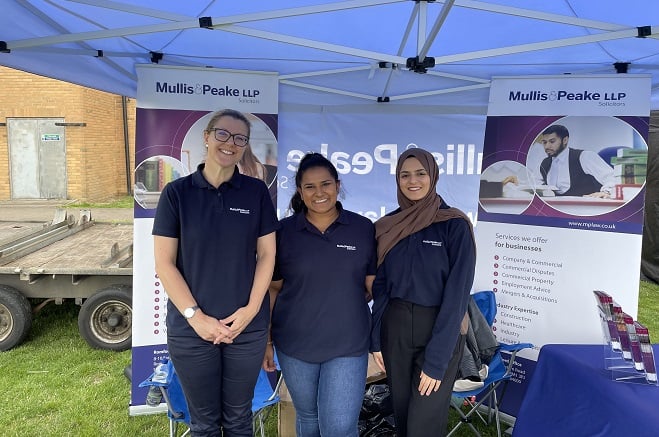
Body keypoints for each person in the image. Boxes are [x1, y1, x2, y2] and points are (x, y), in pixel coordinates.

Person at [152, 108, 279, 436]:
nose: (230, 143)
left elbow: (267, 255)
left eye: (240, 138)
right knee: (204, 423)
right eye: (222, 134)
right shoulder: (176, 194)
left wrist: (251, 311)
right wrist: (196, 317)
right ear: (207, 137)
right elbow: (164, 263)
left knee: (238, 420)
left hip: (246, 329)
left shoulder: (256, 193)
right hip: (191, 329)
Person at [263, 152, 376, 437]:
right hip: (295, 345)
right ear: (300, 191)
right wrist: (266, 339)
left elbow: (371, 285)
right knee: (309, 417)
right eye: (309, 187)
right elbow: (273, 289)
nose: (319, 193)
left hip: (347, 345)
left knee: (338, 428)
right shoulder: (284, 232)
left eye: (325, 184)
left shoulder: (363, 229)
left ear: (338, 186)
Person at [370, 148, 476, 437]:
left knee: (423, 425)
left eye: (420, 173)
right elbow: (380, 288)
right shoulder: (388, 226)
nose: (412, 181)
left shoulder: (454, 225)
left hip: (440, 330)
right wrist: (376, 339)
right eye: (405, 175)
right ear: (397, 179)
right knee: (403, 418)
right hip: (396, 329)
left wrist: (437, 360)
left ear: (433, 176)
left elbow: (457, 297)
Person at [532, 124, 615, 197]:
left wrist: (606, 192)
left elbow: (612, 177)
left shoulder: (584, 156)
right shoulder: (544, 163)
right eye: (544, 142)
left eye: (552, 141)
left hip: (586, 209)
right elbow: (536, 184)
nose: (547, 146)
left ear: (565, 140)